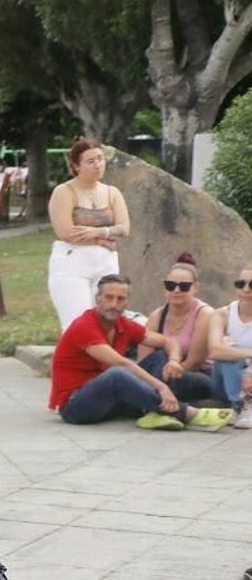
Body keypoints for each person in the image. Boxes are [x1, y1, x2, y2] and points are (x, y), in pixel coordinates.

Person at [50, 273, 231, 431]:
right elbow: (121, 364)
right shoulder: (84, 326)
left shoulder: (123, 324)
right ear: (98, 298)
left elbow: (168, 341)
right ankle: (186, 413)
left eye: (120, 299)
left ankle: (155, 413)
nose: (114, 304)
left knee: (159, 357)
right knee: (118, 374)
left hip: (109, 400)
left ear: (127, 302)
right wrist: (161, 387)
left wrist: (174, 360)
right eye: (109, 297)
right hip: (75, 406)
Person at [48, 140, 129, 329]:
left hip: (105, 262)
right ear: (76, 166)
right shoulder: (64, 192)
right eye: (90, 161)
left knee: (106, 320)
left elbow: (124, 228)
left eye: (100, 159)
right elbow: (67, 232)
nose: (97, 165)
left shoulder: (112, 193)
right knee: (78, 323)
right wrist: (104, 239)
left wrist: (98, 231)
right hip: (73, 262)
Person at [134, 253, 218, 406]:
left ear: (196, 288)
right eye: (170, 285)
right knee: (140, 371)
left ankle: (158, 403)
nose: (176, 290)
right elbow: (144, 361)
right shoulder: (156, 316)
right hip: (163, 373)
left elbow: (194, 362)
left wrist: (163, 377)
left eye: (184, 286)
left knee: (160, 379)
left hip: (199, 375)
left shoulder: (205, 314)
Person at [206, 262, 252, 429]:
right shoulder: (222, 314)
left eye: (251, 285)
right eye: (241, 284)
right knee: (229, 356)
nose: (246, 289)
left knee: (232, 351)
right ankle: (239, 405)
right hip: (225, 381)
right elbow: (215, 351)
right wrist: (248, 355)